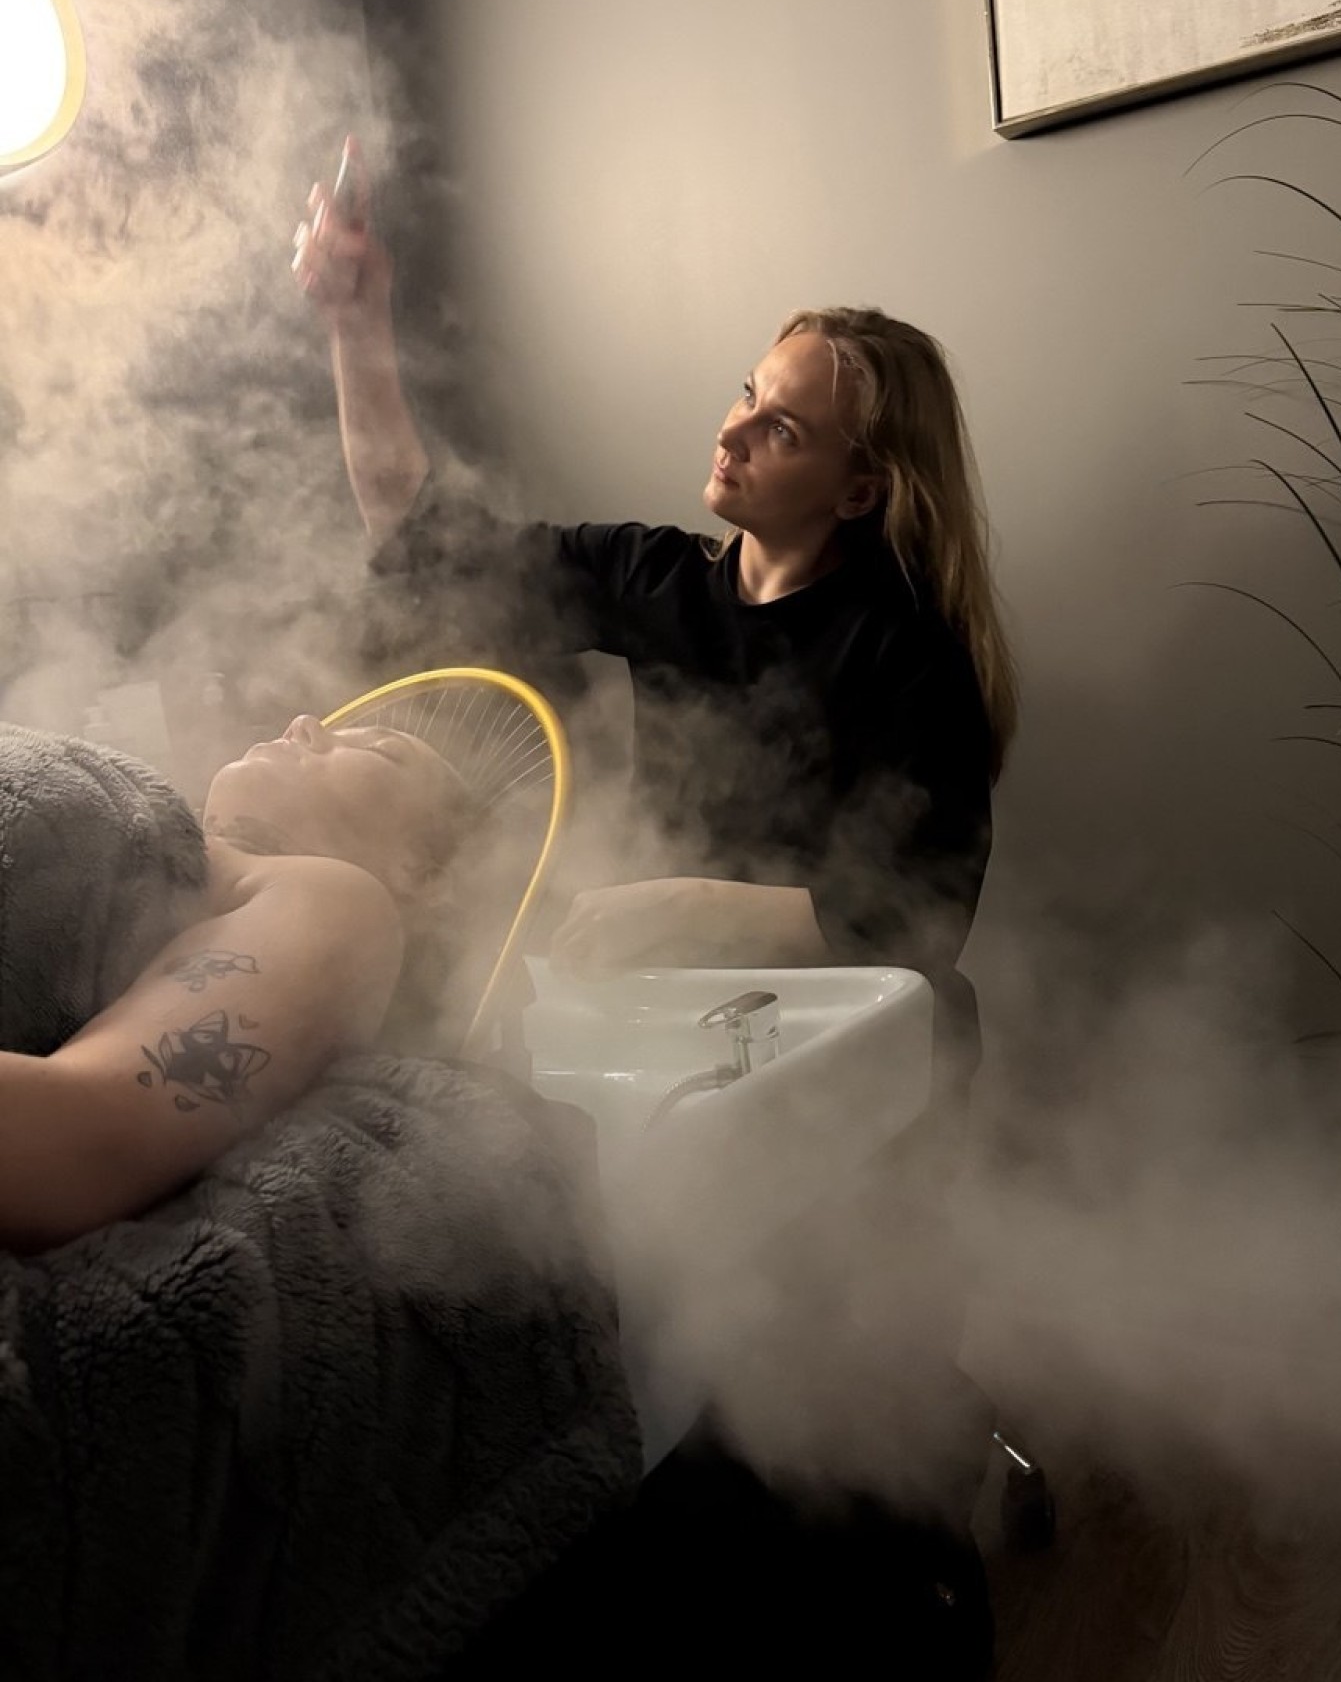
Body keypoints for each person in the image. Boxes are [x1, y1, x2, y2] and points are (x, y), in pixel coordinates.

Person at [293, 140, 1017, 1091]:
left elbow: (921, 919)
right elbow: (424, 544)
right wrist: (354, 322)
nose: (732, 431)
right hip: (694, 1013)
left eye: (781, 430)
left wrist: (683, 905)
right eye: (748, 393)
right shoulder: (660, 577)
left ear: (857, 492)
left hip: (874, 1048)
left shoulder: (912, 653)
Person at [0, 713, 472, 1252]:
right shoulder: (161, 829)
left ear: (422, 874)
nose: (307, 722)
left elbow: (79, 1139)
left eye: (380, 748)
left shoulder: (336, 898)